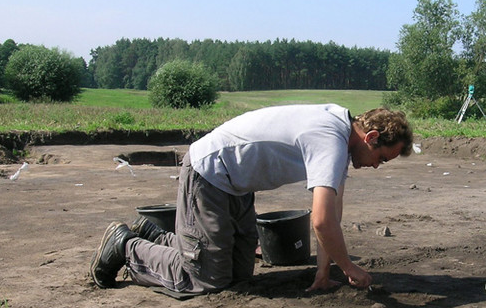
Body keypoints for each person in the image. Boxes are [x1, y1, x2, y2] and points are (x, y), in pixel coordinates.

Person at [89, 105, 413, 296]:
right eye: (381, 158)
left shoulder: (340, 139)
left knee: (240, 275)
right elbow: (321, 221)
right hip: (209, 173)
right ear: (370, 138)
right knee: (206, 279)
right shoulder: (330, 140)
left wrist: (324, 272)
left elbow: (332, 216)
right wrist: (349, 267)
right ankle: (126, 247)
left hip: (237, 186)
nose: (375, 166)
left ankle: (155, 235)